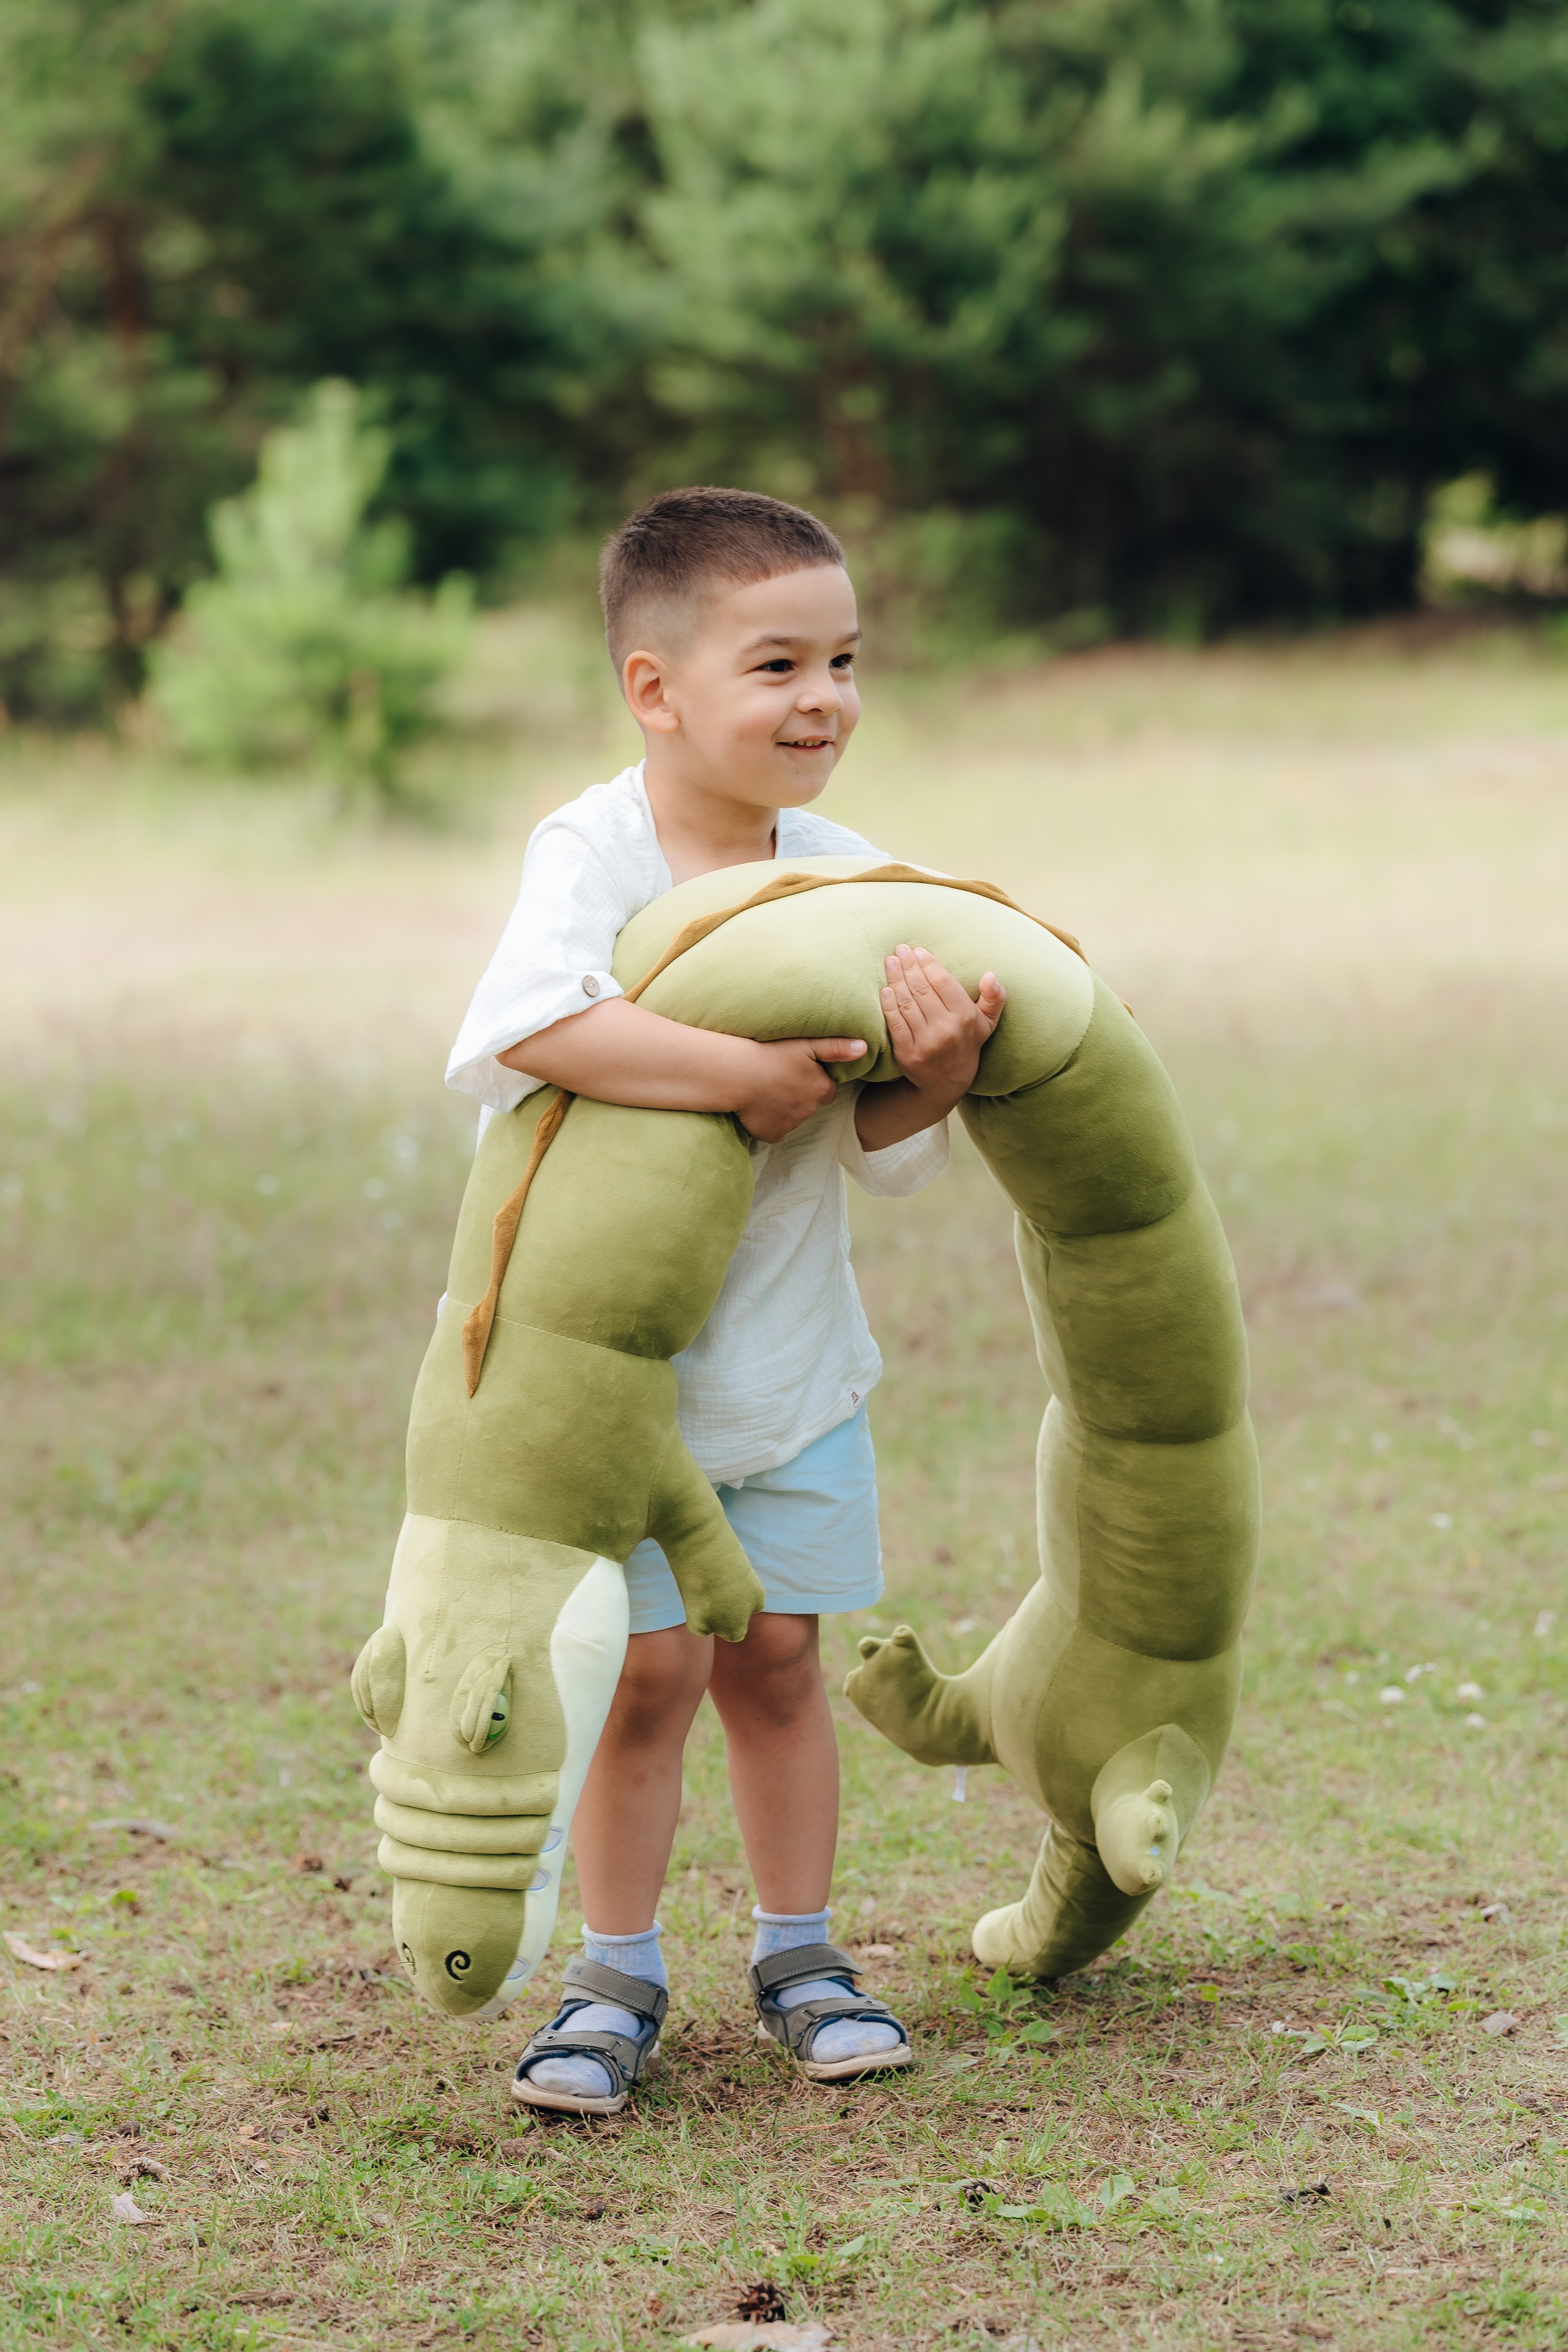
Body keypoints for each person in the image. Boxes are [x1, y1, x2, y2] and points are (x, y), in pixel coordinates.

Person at [445, 486, 1006, 2115]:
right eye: (778, 664)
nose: (824, 697)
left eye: (843, 658)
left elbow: (868, 1138)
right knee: (645, 1679)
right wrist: (734, 1075)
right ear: (655, 688)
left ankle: (803, 1956)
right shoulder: (596, 848)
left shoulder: (848, 878)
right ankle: (611, 1981)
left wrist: (940, 1073)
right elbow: (530, 1023)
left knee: (774, 1665)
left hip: (795, 1370)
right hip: (626, 1392)